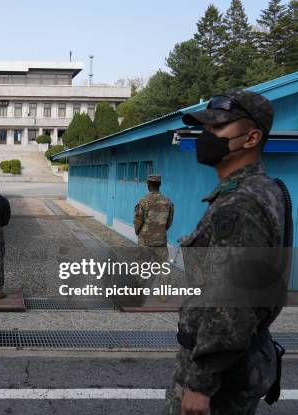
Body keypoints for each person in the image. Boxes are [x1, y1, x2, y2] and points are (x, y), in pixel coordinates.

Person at [165, 90, 291, 415]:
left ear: (251, 138)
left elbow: (232, 302)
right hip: (237, 360)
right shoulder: (264, 190)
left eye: (217, 129)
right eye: (206, 129)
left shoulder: (241, 203)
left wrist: (199, 383)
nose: (207, 136)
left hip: (220, 376)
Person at [134, 174, 174, 261]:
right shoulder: (168, 201)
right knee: (158, 268)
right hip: (161, 241)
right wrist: (160, 230)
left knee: (143, 268)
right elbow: (169, 221)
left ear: (148, 184)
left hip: (145, 241)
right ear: (159, 184)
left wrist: (138, 232)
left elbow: (138, 221)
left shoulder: (143, 201)